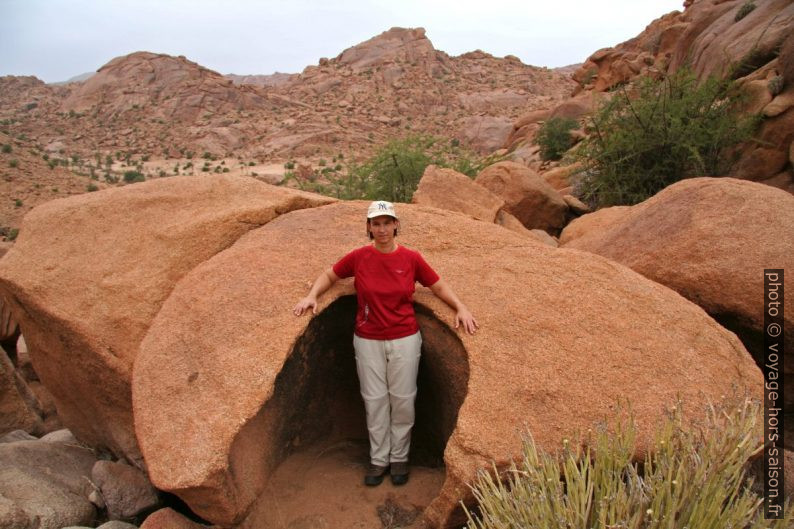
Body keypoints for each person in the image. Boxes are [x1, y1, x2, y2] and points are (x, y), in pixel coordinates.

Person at [293, 200, 478, 487]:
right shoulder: (359, 257)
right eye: (375, 224)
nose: (382, 229)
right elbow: (330, 274)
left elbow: (437, 285)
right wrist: (312, 295)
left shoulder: (411, 259)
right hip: (368, 339)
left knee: (403, 400)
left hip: (404, 337)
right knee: (375, 400)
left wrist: (460, 307)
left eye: (387, 223)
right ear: (369, 227)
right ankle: (379, 460)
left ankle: (400, 457)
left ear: (396, 225)